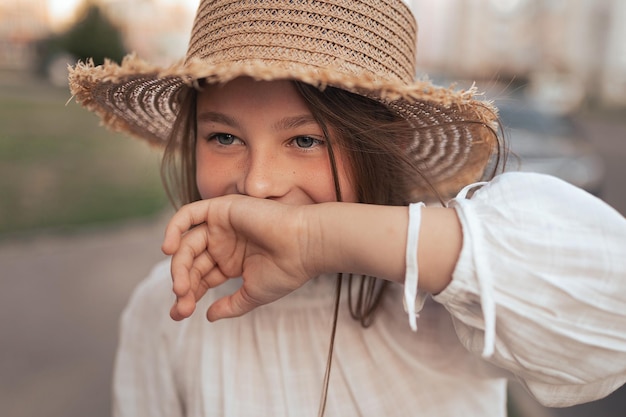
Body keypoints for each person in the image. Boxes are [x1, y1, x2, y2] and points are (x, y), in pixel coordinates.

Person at [68, 0, 626, 416]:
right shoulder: (163, 313)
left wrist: (320, 239)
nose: (258, 184)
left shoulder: (445, 302)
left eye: (306, 141)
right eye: (223, 138)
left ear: (384, 149)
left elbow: (611, 304)